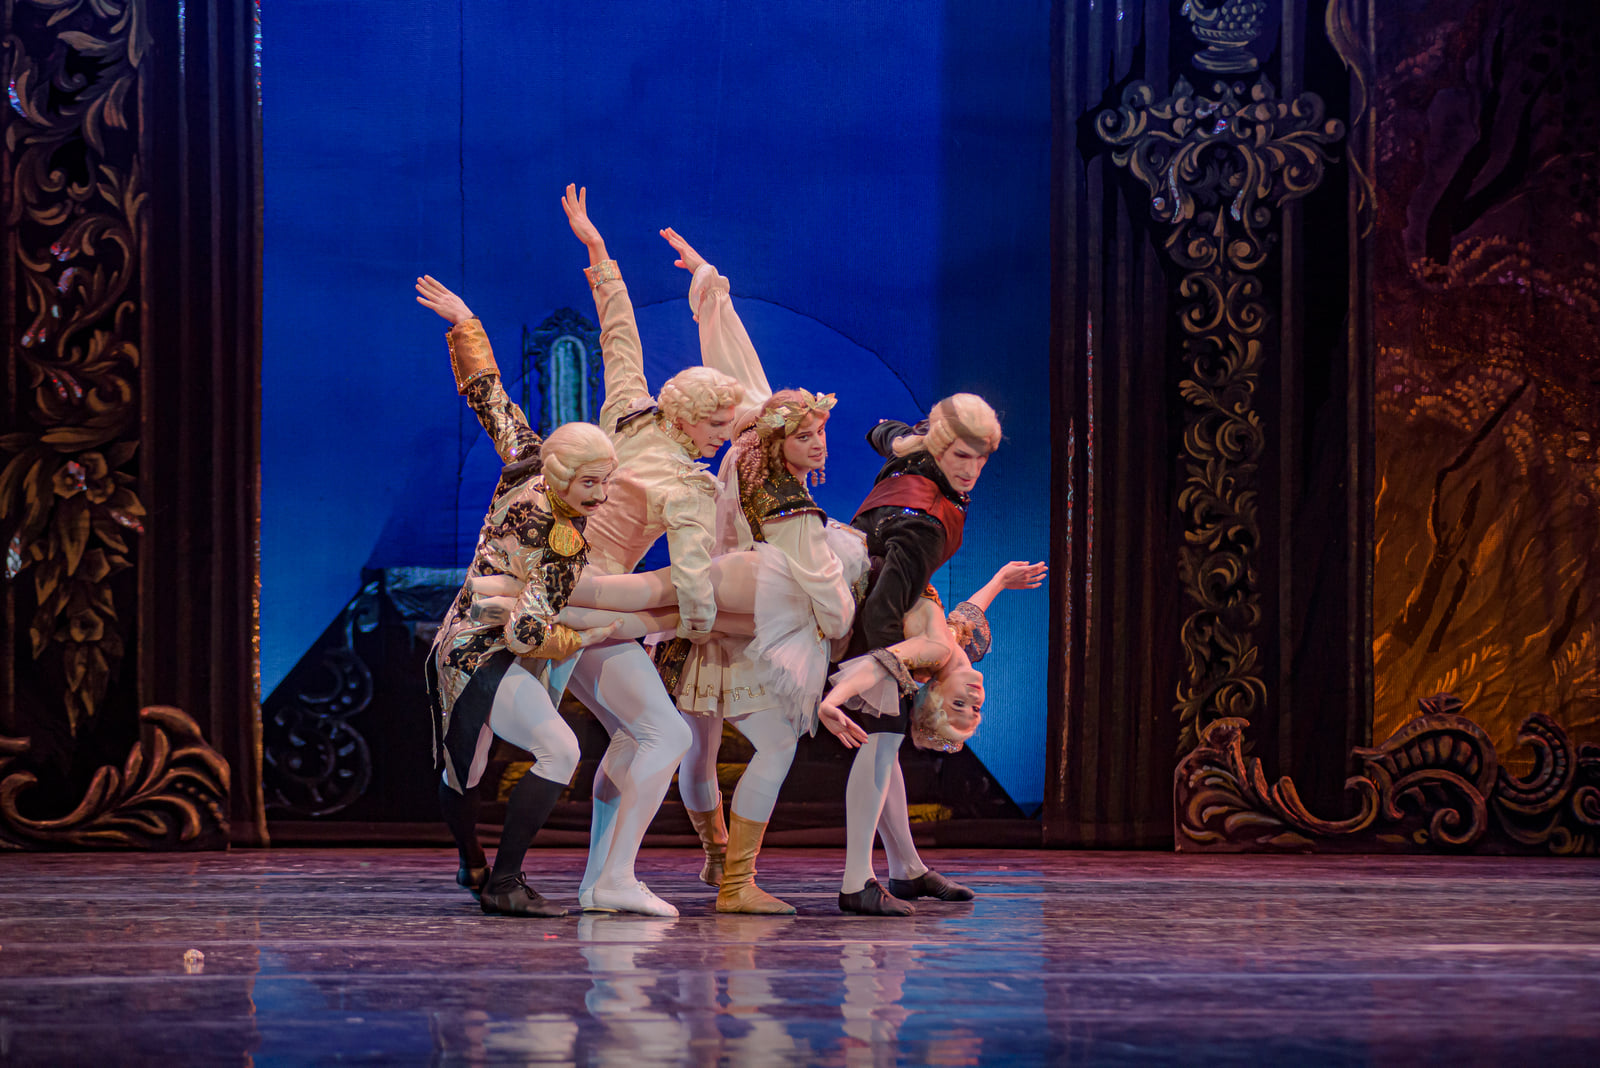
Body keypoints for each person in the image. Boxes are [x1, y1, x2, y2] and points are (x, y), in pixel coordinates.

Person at [556, 186, 759, 917]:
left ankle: (601, 879)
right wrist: (695, 625)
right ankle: (611, 878)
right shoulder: (686, 485)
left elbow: (620, 338)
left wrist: (598, 253)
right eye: (720, 428)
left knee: (630, 736)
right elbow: (696, 585)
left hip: (557, 584)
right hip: (589, 606)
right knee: (665, 732)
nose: (724, 440)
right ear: (695, 421)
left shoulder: (628, 412)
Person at [415, 274, 621, 918]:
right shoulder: (558, 539)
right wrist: (589, 635)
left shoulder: (526, 460)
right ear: (562, 475)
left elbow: (491, 397)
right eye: (591, 484)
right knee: (547, 752)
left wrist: (466, 325)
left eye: (607, 482)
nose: (601, 497)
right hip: (478, 652)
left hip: (459, 640)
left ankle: (475, 866)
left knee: (467, 768)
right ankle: (500, 880)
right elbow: (528, 633)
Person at [822, 395, 1008, 916]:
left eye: (980, 460)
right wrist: (889, 672)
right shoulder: (925, 525)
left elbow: (881, 431)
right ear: (941, 448)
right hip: (875, 626)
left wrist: (905, 438)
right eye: (961, 457)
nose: (971, 471)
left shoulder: (918, 453)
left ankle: (905, 866)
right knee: (881, 745)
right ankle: (856, 880)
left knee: (885, 750)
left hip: (874, 607)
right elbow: (885, 610)